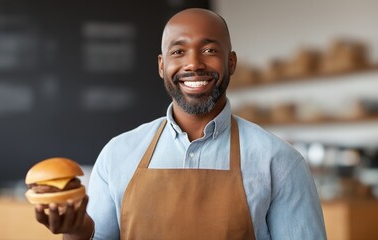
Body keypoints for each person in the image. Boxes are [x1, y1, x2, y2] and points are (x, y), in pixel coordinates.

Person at [34, 8, 327, 240]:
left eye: (210, 50)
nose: (194, 63)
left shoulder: (281, 163)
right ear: (162, 66)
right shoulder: (117, 154)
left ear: (232, 62)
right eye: (178, 51)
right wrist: (76, 232)